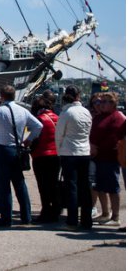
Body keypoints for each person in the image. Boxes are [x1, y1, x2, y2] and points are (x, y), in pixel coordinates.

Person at [0, 85, 42, 227]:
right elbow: (38, 125)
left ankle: (6, 218)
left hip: (2, 150)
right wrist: (29, 139)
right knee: (20, 183)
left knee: (3, 185)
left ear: (1, 97)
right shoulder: (23, 110)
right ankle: (26, 216)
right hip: (17, 149)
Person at [56, 85, 93, 230]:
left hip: (69, 152)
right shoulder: (86, 112)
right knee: (85, 187)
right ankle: (86, 220)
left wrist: (60, 151)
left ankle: (72, 220)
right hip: (85, 152)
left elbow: (59, 135)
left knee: (71, 186)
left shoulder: (66, 113)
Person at [89, 92, 125, 227]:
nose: (100, 104)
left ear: (113, 103)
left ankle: (115, 217)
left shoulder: (117, 117)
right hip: (97, 157)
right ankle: (105, 213)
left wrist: (98, 147)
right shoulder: (100, 117)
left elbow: (115, 138)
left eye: (104, 102)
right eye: (99, 102)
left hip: (109, 158)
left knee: (112, 187)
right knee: (99, 187)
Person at [30, 91, 61, 223]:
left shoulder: (39, 119)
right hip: (56, 155)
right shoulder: (57, 117)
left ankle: (46, 211)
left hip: (41, 155)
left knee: (43, 186)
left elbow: (30, 138)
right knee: (53, 184)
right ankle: (55, 210)